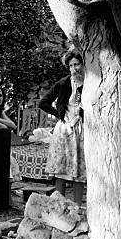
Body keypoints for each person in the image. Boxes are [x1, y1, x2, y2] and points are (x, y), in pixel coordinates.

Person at [39, 50, 86, 205]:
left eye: (77, 64)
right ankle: (59, 207)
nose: (74, 69)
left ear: (83, 64)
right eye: (71, 65)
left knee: (79, 170)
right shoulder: (63, 83)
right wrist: (60, 114)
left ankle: (77, 207)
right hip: (64, 130)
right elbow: (43, 102)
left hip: (81, 130)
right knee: (61, 169)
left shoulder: (89, 83)